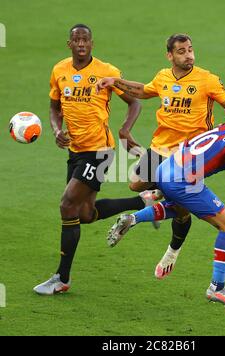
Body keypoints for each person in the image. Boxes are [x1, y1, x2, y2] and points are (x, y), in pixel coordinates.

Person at [106, 123, 225, 308]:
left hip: (167, 165)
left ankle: (133, 219)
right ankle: (217, 288)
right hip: (182, 179)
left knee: (177, 207)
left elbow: (209, 140)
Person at [33, 24, 152, 295]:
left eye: (85, 39)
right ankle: (144, 201)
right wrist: (55, 130)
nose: (81, 43)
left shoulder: (106, 71)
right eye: (76, 40)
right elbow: (54, 107)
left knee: (67, 206)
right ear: (69, 44)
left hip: (99, 151)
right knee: (85, 214)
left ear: (92, 43)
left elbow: (135, 102)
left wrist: (124, 130)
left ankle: (62, 278)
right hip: (75, 150)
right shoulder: (59, 71)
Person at [96, 33, 225, 250]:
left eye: (190, 49)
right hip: (162, 145)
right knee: (136, 184)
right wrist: (114, 81)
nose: (188, 55)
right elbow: (143, 91)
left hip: (190, 152)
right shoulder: (163, 77)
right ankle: (159, 192)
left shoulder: (207, 79)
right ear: (170, 56)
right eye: (181, 52)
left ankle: (172, 248)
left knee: (181, 208)